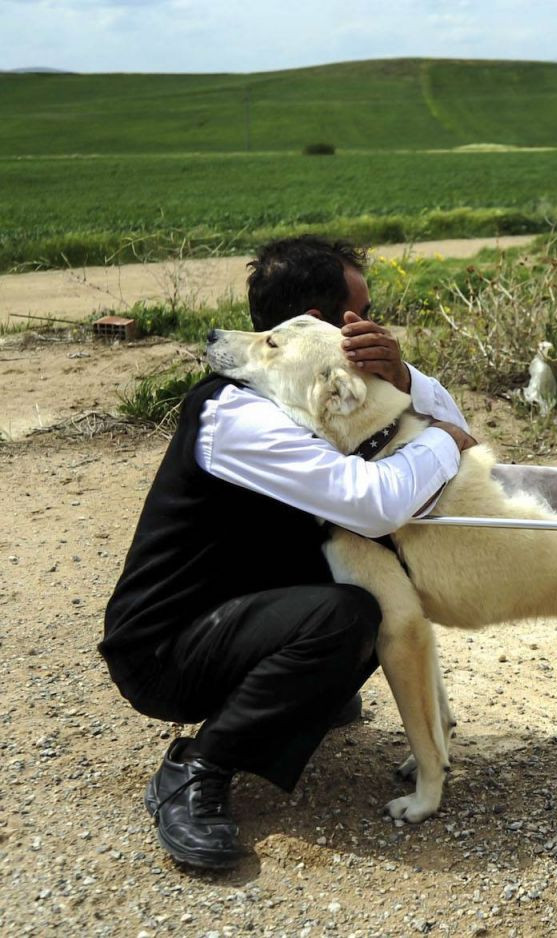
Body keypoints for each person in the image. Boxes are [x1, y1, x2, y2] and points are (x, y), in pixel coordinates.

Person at [100, 235, 476, 869]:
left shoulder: (308, 392)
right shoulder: (239, 416)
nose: (372, 324)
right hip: (168, 648)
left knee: (372, 583)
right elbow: (377, 499)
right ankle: (197, 771)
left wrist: (401, 377)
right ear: (319, 326)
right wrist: (442, 440)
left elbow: (442, 432)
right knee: (351, 616)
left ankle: (297, 695)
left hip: (241, 614)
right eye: (360, 312)